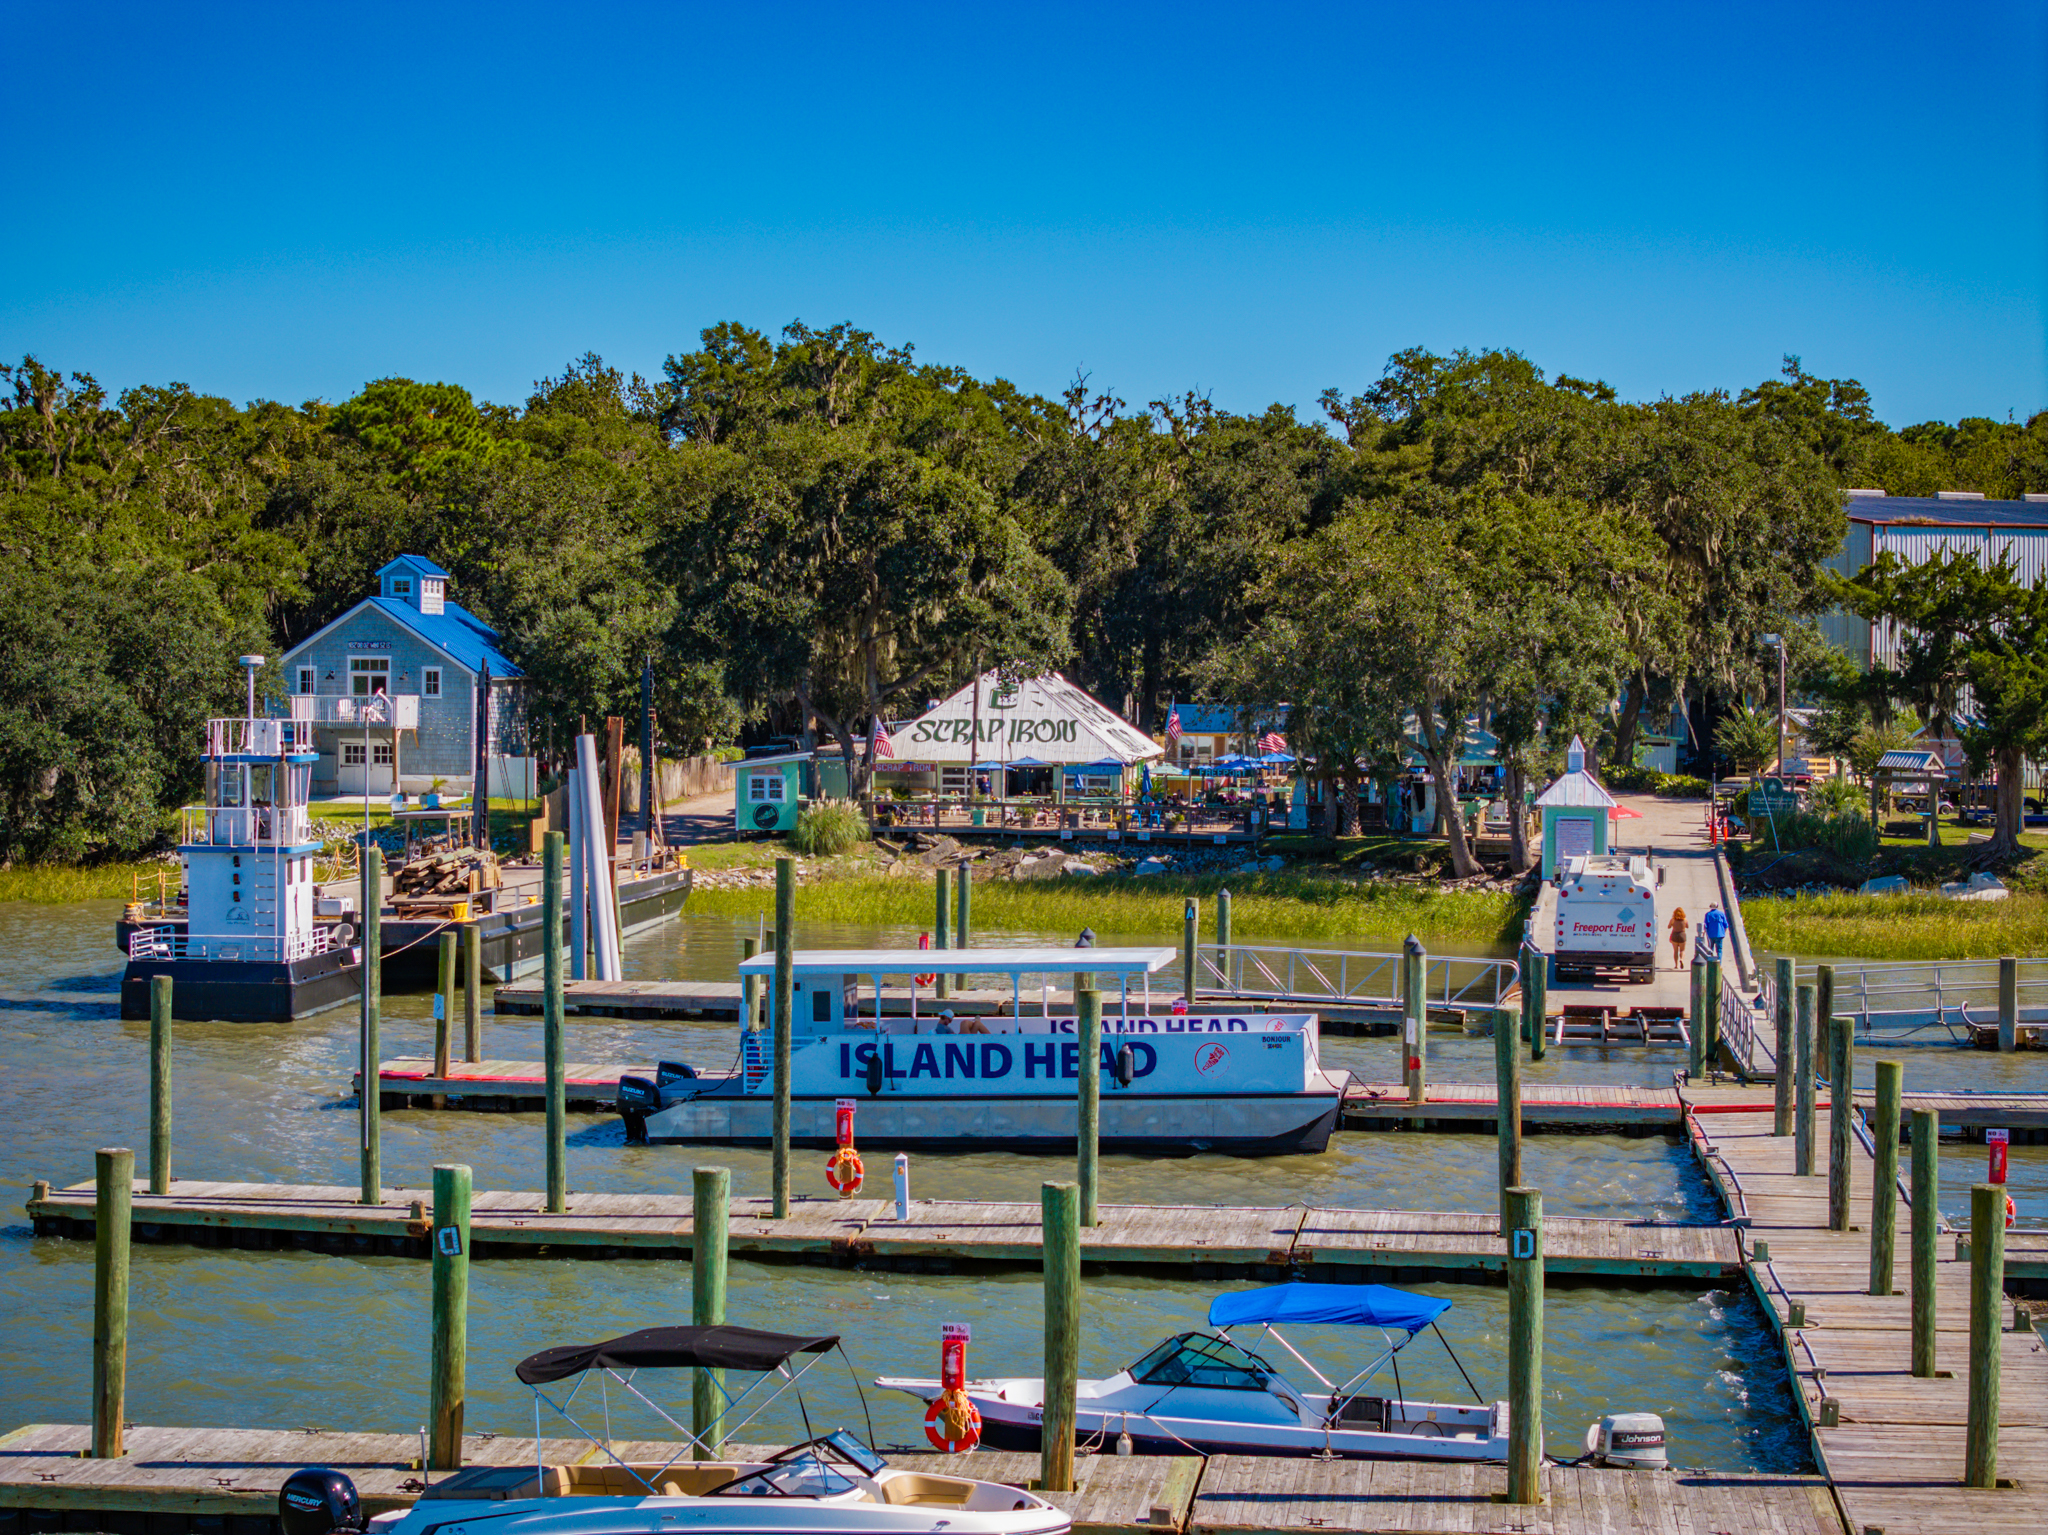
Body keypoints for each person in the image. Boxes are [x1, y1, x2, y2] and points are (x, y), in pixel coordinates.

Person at [1667, 907, 1689, 971]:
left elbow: (1668, 927)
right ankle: (1681, 959)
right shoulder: (1685, 919)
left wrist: (1672, 925)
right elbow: (1687, 926)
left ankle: (1676, 965)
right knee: (1682, 950)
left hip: (1674, 935)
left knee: (1675, 951)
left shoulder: (1673, 919)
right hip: (1682, 935)